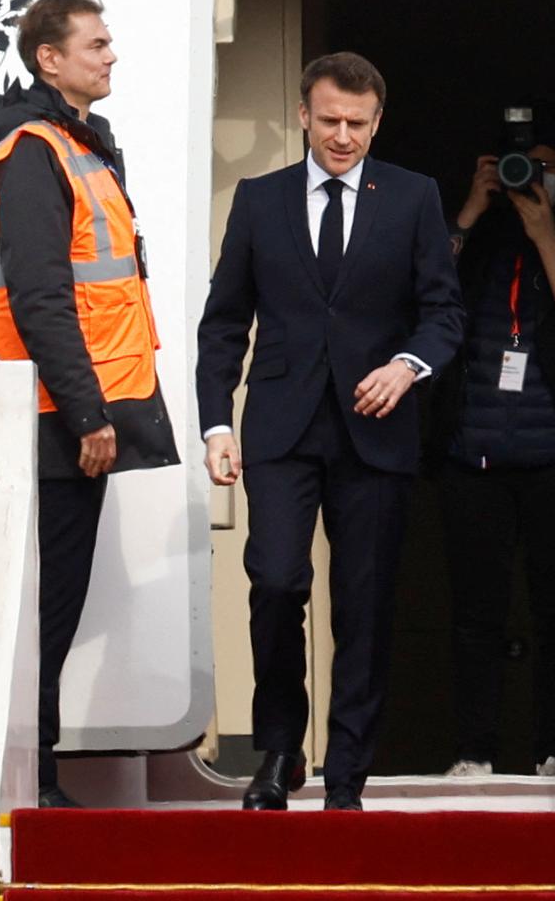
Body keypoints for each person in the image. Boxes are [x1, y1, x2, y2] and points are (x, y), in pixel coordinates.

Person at [196, 51, 464, 811]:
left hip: (376, 429)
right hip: (279, 428)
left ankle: (347, 774)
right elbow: (223, 325)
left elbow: (444, 312)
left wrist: (408, 365)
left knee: (365, 603)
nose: (342, 136)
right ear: (304, 116)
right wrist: (218, 422)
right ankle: (280, 750)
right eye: (330, 121)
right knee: (276, 582)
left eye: (358, 123)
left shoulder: (414, 198)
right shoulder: (259, 199)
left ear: (377, 122)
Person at [0, 0, 180, 809]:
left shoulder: (81, 144)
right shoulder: (35, 152)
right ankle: (34, 780)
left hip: (77, 410)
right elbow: (41, 295)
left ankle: (38, 775)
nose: (111, 54)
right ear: (48, 58)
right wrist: (88, 413)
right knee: (45, 609)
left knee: (55, 601)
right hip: (61, 419)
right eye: (96, 43)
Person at [425, 105, 555, 779]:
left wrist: (544, 233)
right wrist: (472, 210)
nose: (528, 180)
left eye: (544, 170)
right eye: (518, 168)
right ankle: (473, 752)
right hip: (470, 457)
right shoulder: (474, 240)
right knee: (474, 614)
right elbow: (418, 293)